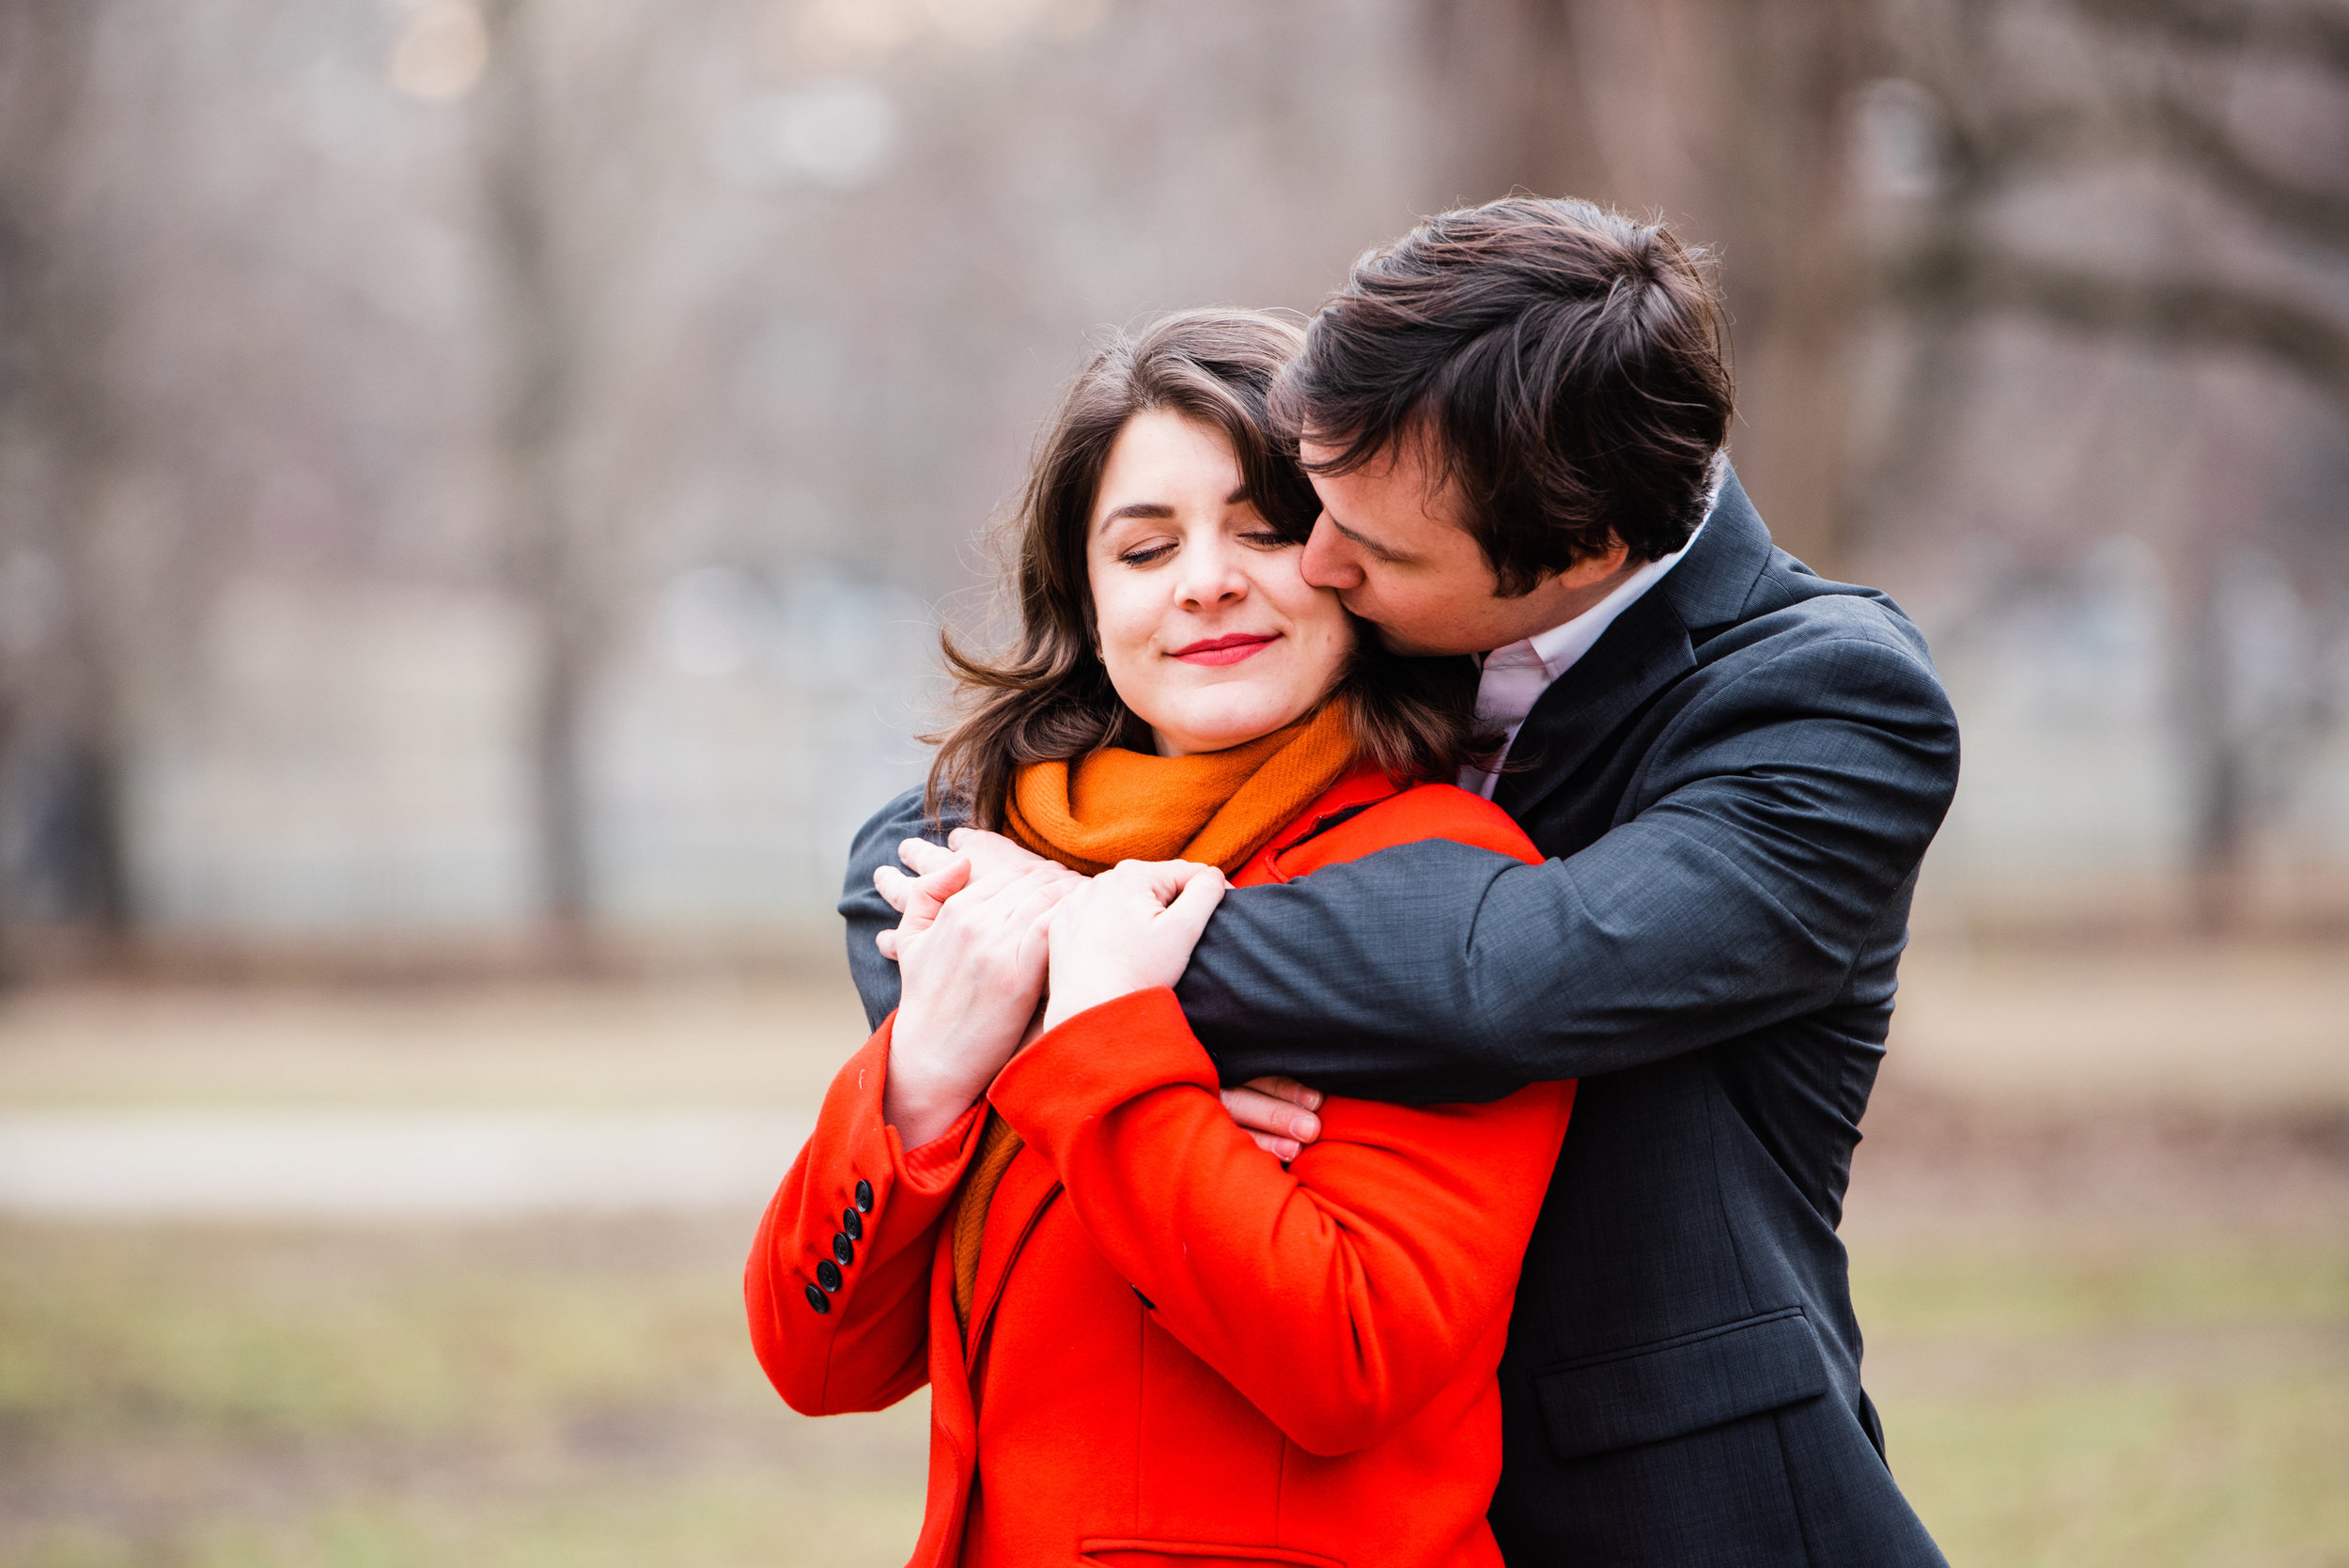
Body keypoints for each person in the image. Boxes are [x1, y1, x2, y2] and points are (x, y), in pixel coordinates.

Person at [849, 199, 1961, 1566]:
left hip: (1671, 1508)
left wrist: (1079, 977)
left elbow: (1506, 976)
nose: (1311, 562)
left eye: (1360, 544)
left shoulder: (1823, 703)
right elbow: (939, 833)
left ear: (1576, 554)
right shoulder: (1398, 608)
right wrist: (984, 954)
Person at [748, 308, 1579, 1568]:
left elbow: (1352, 1354)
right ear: (1085, 598)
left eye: (1267, 531)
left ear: (1358, 562)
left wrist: (1109, 1051)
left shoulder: (1440, 882)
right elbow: (819, 1360)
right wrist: (931, 1072)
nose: (1204, 580)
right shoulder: (996, 878)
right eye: (1146, 548)